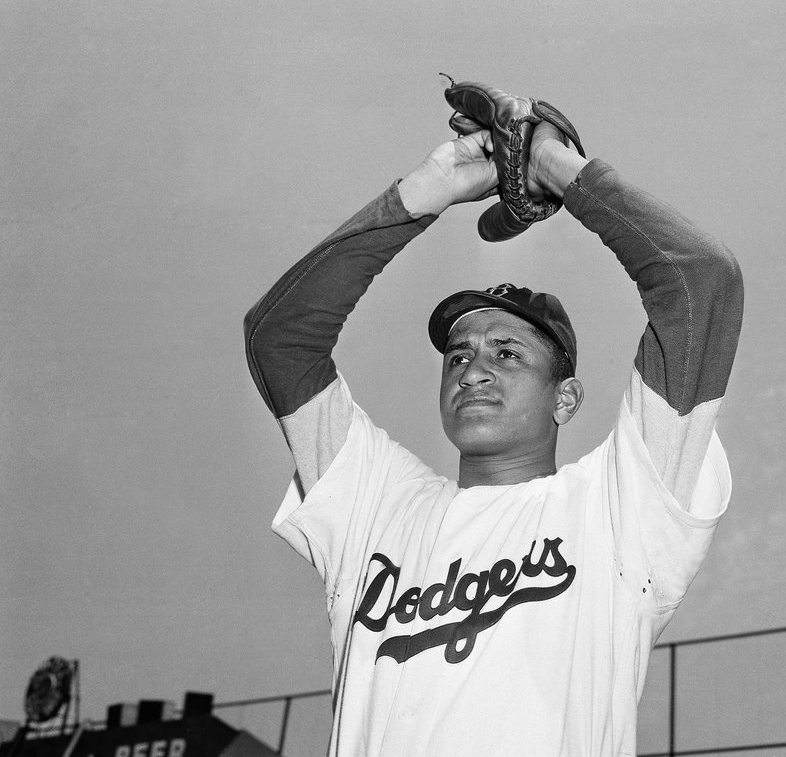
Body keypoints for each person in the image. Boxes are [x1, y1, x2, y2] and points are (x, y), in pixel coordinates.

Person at [244, 87, 744, 757]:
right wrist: (429, 190)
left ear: (565, 399)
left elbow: (700, 282)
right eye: (459, 355)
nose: (473, 369)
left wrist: (553, 165)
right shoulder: (377, 506)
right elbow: (279, 339)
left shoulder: (621, 507)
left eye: (508, 353)